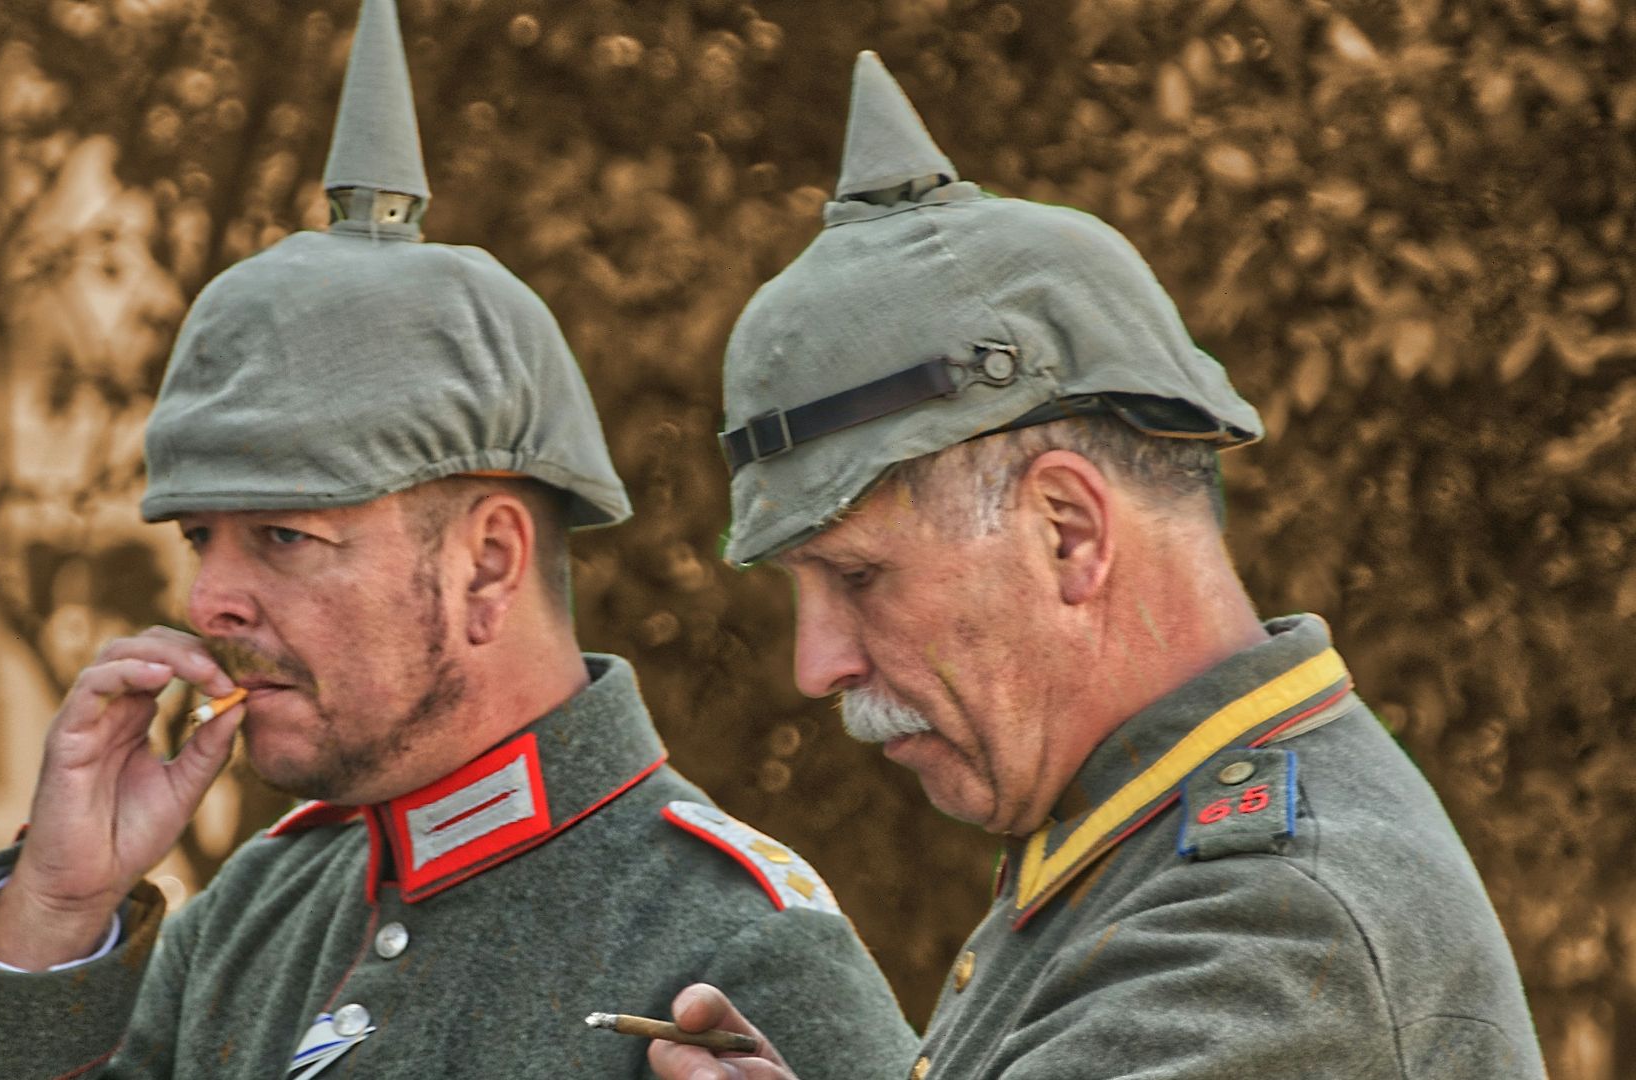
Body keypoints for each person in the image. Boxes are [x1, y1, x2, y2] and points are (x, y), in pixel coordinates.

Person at [0, 6, 917, 1077]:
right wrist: (54, 907)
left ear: (488, 564)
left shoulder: (739, 943)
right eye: (200, 537)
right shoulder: (253, 917)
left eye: (282, 535)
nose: (210, 600)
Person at [650, 51, 1545, 1080]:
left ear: (1067, 531)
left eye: (857, 577)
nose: (817, 666)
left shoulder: (1265, 930)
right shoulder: (1147, 851)